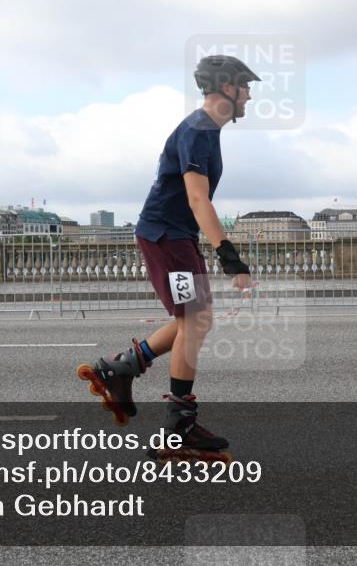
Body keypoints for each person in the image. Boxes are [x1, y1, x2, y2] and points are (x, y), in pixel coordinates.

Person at [77, 55, 258, 457]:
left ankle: (121, 367)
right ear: (226, 87)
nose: (249, 95)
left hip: (176, 237)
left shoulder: (207, 130)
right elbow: (197, 198)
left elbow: (195, 200)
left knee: (196, 318)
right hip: (165, 236)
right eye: (246, 86)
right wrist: (230, 258)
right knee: (194, 320)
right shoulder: (197, 130)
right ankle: (179, 426)